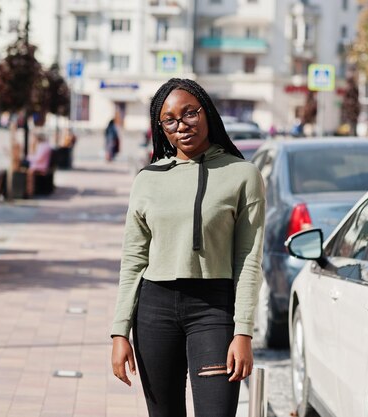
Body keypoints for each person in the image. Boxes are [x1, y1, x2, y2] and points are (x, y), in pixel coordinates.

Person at [110, 78, 266, 417]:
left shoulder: (242, 175)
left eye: (190, 113)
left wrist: (243, 331)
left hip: (214, 311)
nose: (181, 125)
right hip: (154, 311)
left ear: (207, 113)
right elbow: (133, 260)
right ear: (160, 127)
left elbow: (249, 259)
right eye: (170, 119)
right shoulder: (147, 179)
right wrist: (119, 332)